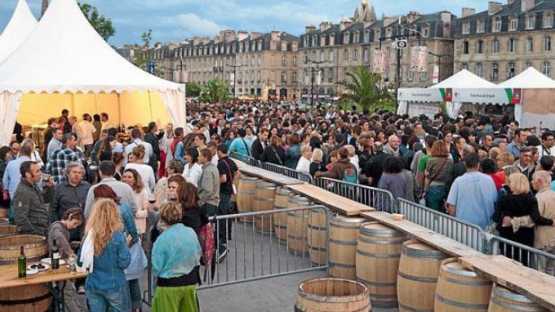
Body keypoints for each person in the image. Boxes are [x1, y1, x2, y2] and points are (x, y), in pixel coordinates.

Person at [151, 202, 202, 312]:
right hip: (189, 282)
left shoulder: (162, 239)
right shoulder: (190, 232)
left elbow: (156, 266)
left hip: (168, 285)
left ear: (162, 217)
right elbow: (197, 254)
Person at [493, 172, 553, 264]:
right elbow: (535, 218)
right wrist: (551, 222)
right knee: (525, 264)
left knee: (507, 264)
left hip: (507, 237)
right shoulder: (532, 199)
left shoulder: (504, 199)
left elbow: (495, 218)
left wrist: (509, 221)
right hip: (526, 237)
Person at [84, 198, 131, 312]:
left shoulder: (89, 235)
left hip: (93, 283)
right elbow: (124, 263)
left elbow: (81, 261)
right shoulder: (118, 236)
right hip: (114, 283)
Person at [446, 153, 498, 230]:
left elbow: (451, 207)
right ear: (478, 165)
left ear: (465, 164)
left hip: (464, 226)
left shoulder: (458, 181)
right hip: (485, 226)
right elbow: (494, 201)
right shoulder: (489, 180)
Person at [13, 161, 52, 235]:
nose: (40, 173)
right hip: (36, 233)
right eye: (37, 171)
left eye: (40, 170)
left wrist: (49, 188)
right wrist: (34, 233)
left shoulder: (33, 185)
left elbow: (43, 201)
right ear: (28, 174)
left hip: (43, 229)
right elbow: (20, 217)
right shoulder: (22, 191)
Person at [50, 162, 90, 229]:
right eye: (74, 172)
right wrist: (58, 225)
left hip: (83, 227)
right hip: (66, 226)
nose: (77, 175)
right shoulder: (59, 188)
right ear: (68, 173)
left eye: (79, 173)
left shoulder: (87, 187)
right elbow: (53, 209)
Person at [2, 139, 33, 221]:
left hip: (14, 194)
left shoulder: (11, 163)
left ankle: (15, 229)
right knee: (28, 216)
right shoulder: (33, 164)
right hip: (29, 195)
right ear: (30, 153)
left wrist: (5, 191)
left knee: (14, 217)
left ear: (20, 152)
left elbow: (5, 180)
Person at [216, 144, 238, 260]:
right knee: (227, 213)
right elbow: (238, 173)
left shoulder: (220, 163)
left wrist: (215, 182)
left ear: (219, 152)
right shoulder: (231, 161)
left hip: (223, 191)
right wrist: (232, 182)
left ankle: (222, 238)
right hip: (229, 190)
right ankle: (227, 235)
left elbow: (223, 178)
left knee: (222, 213)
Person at [531, 171, 555, 274]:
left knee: (539, 271)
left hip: (542, 240)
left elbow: (536, 218)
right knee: (551, 270)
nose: (531, 182)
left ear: (539, 181)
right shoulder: (553, 194)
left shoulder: (539, 198)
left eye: (533, 180)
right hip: (552, 239)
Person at [424, 140, 453, 212]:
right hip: (446, 188)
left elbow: (427, 177)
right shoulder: (450, 161)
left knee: (432, 212)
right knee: (442, 212)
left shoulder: (431, 160)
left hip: (433, 187)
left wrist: (425, 190)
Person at [122, 168, 150, 236]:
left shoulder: (142, 192)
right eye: (124, 177)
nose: (126, 179)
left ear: (135, 179)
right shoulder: (121, 191)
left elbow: (146, 212)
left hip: (137, 228)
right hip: (123, 228)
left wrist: (134, 213)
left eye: (129, 177)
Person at [197, 148, 220, 222]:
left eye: (200, 156)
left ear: (205, 157)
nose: (198, 158)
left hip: (208, 204)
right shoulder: (213, 168)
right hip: (212, 203)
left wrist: (200, 201)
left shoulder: (208, 170)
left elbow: (208, 190)